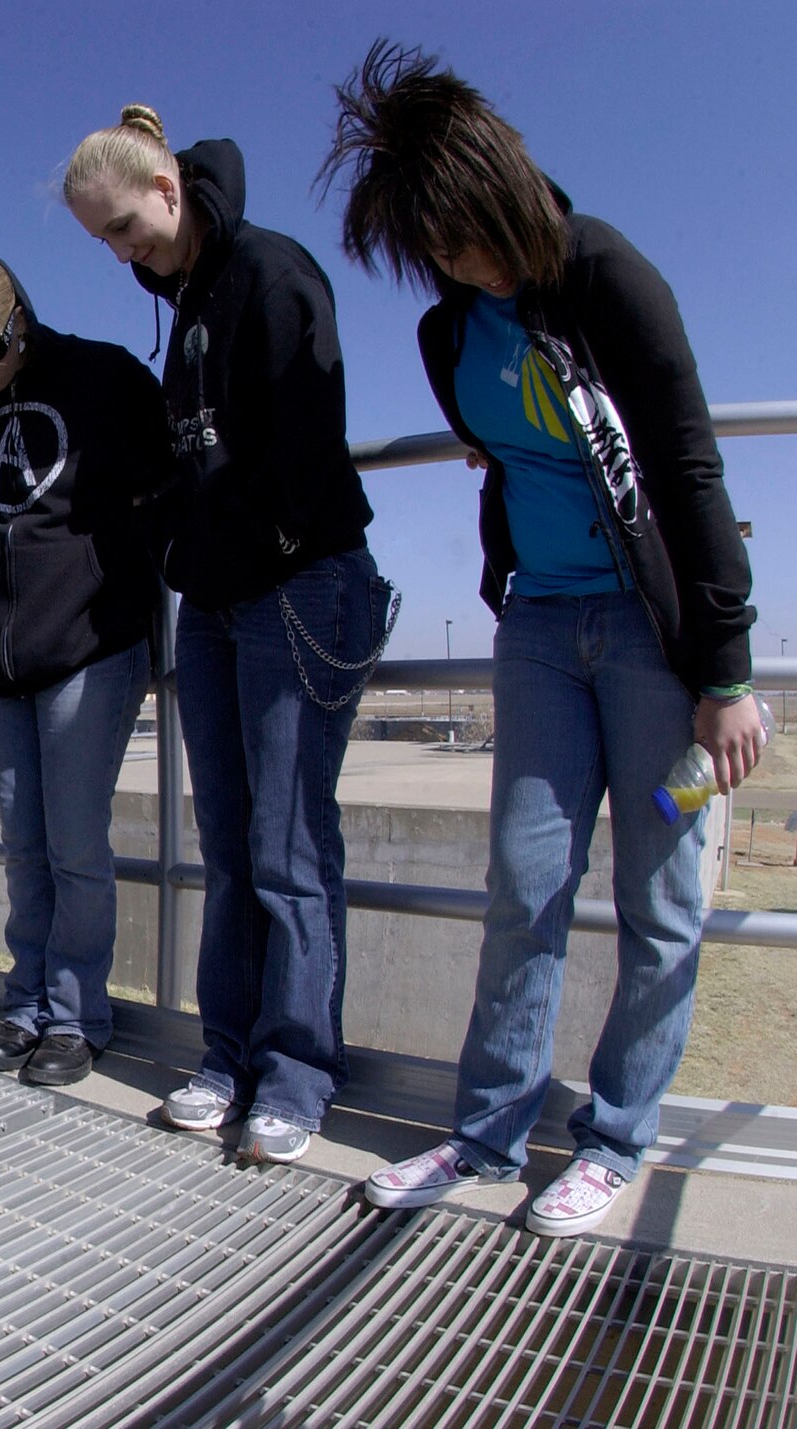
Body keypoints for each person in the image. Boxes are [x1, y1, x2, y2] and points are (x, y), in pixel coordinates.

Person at [324, 43, 761, 1237]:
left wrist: (723, 671)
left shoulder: (609, 274)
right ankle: (483, 1134)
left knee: (660, 899)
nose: (450, 267)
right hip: (536, 629)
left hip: (652, 641)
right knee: (523, 885)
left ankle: (616, 1139)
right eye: (431, 255)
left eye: (457, 239)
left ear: (498, 192)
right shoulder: (446, 333)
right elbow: (501, 456)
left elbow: (684, 466)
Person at [63, 105, 392, 1163]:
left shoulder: (270, 275)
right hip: (209, 603)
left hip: (296, 588)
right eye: (101, 242)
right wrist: (180, 551)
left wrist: (251, 546)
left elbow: (302, 445)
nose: (120, 255)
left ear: (167, 190)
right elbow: (188, 459)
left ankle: (296, 1070)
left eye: (122, 228)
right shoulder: (190, 290)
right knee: (225, 842)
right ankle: (227, 1052)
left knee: (289, 845)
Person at [0, 249, 170, 1088]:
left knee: (74, 845)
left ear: (19, 315)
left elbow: (165, 484)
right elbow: (6, 506)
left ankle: (79, 1014)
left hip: (89, 642)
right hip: (2, 649)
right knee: (24, 847)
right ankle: (25, 1004)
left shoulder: (107, 374)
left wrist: (119, 583)